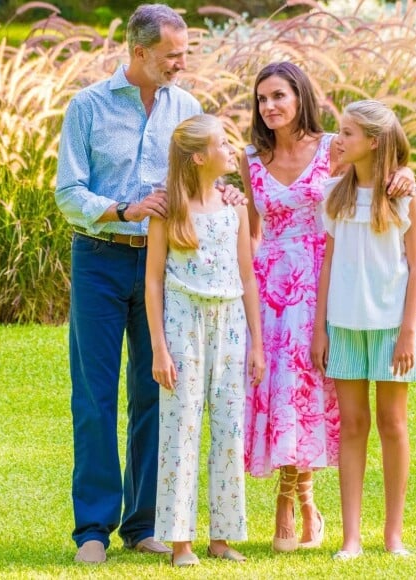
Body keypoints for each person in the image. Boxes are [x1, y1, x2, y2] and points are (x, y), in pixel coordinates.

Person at [54, 4, 242, 564]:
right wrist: (123, 208)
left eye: (184, 55)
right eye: (172, 56)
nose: (181, 65)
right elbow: (69, 192)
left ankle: (142, 524)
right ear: (139, 52)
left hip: (170, 272)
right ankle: (93, 527)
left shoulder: (186, 108)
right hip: (100, 259)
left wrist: (224, 196)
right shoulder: (87, 106)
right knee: (93, 396)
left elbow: (203, 175)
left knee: (157, 393)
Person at [241, 62, 416, 552]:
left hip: (325, 280)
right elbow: (251, 229)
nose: (269, 107)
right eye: (261, 99)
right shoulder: (250, 157)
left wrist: (405, 173)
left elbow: (378, 162)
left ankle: (305, 498)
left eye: (278, 96)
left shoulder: (331, 147)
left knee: (312, 395)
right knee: (277, 392)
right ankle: (287, 498)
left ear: (300, 96)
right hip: (270, 285)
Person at [145, 114, 265, 567]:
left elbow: (247, 278)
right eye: (221, 143)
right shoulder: (170, 213)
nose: (231, 148)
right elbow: (153, 282)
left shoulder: (234, 208)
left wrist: (256, 344)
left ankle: (223, 535)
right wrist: (159, 346)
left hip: (230, 322)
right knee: (181, 429)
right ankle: (180, 542)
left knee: (230, 428)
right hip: (182, 326)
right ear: (199, 157)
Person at [311, 99, 416, 560]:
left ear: (373, 142)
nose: (338, 140)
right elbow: (327, 264)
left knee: (392, 424)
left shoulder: (405, 195)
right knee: (353, 425)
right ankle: (351, 538)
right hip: (344, 324)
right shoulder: (333, 195)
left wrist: (408, 332)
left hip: (391, 327)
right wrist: (320, 328)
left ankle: (393, 536)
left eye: (348, 133)